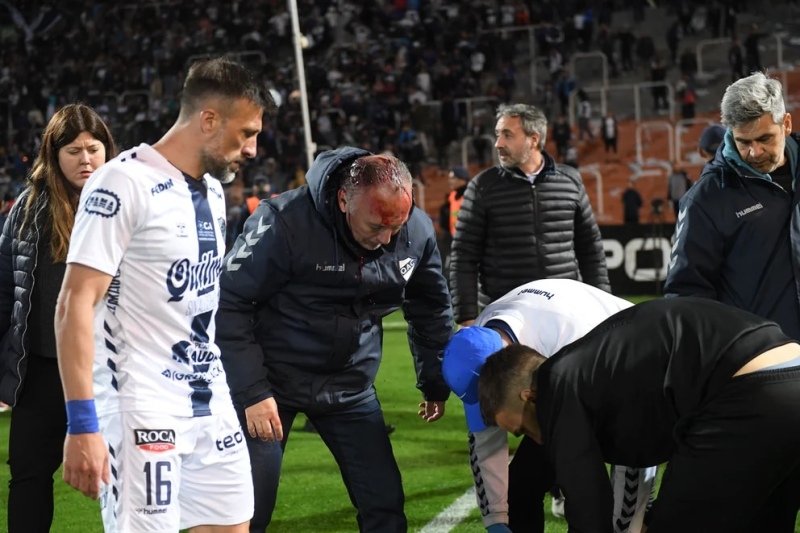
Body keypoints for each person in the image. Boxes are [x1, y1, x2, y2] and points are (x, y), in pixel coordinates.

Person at [54, 57, 275, 532]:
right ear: (208, 120)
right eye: (247, 133)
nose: (253, 149)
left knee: (236, 523)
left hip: (209, 397)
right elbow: (74, 306)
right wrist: (82, 423)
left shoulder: (213, 192)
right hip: (141, 406)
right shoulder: (119, 183)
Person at [216, 148, 453, 533]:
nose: (387, 238)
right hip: (274, 382)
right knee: (242, 511)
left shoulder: (417, 231)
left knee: (385, 506)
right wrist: (253, 392)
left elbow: (431, 306)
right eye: (376, 225)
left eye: (397, 224)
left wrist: (435, 381)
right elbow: (229, 302)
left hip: (350, 385)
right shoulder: (284, 222)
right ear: (344, 200)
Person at [478, 297, 800, 532]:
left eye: (523, 429)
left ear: (529, 396)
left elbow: (588, 507)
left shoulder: (557, 381)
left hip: (746, 391)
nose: (536, 441)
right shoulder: (590, 365)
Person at [442, 279, 656, 533]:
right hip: (564, 389)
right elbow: (484, 444)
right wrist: (497, 520)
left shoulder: (577, 344)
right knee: (521, 489)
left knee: (588, 499)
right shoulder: (480, 338)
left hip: (642, 386)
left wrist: (626, 524)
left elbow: (634, 437)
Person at [0, 104, 116, 533]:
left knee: (129, 480)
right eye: (73, 150)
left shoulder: (126, 204)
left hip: (110, 370)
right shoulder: (27, 210)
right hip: (42, 372)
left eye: (93, 148)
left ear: (107, 151)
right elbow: (3, 291)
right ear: (53, 153)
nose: (85, 159)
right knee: (28, 478)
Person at [664, 72, 800, 341]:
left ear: (786, 123)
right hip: (760, 361)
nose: (754, 153)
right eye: (743, 142)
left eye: (764, 139)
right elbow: (686, 295)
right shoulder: (705, 199)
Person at [449, 103, 609, 327]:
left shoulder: (571, 181)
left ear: (534, 139)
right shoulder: (482, 186)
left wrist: (601, 303)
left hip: (563, 311)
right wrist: (466, 318)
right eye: (497, 135)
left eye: (507, 135)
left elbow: (591, 249)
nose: (498, 144)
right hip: (505, 315)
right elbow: (463, 257)